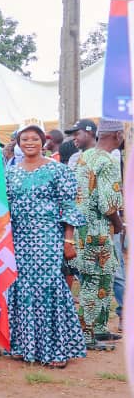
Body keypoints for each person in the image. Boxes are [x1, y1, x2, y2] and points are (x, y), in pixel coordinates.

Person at [5, 119, 87, 367]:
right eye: (25, 139)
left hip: (48, 238)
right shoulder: (10, 172)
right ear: (18, 142)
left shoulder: (58, 170)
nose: (30, 142)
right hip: (18, 239)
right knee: (21, 287)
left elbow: (68, 206)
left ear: (44, 141)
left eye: (35, 138)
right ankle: (23, 345)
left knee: (48, 287)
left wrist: (68, 240)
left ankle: (56, 350)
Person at [71, 119, 125, 350]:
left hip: (82, 230)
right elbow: (108, 204)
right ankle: (86, 335)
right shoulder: (108, 161)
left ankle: (100, 328)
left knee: (103, 279)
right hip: (98, 230)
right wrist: (119, 224)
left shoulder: (86, 157)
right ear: (118, 135)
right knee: (94, 282)